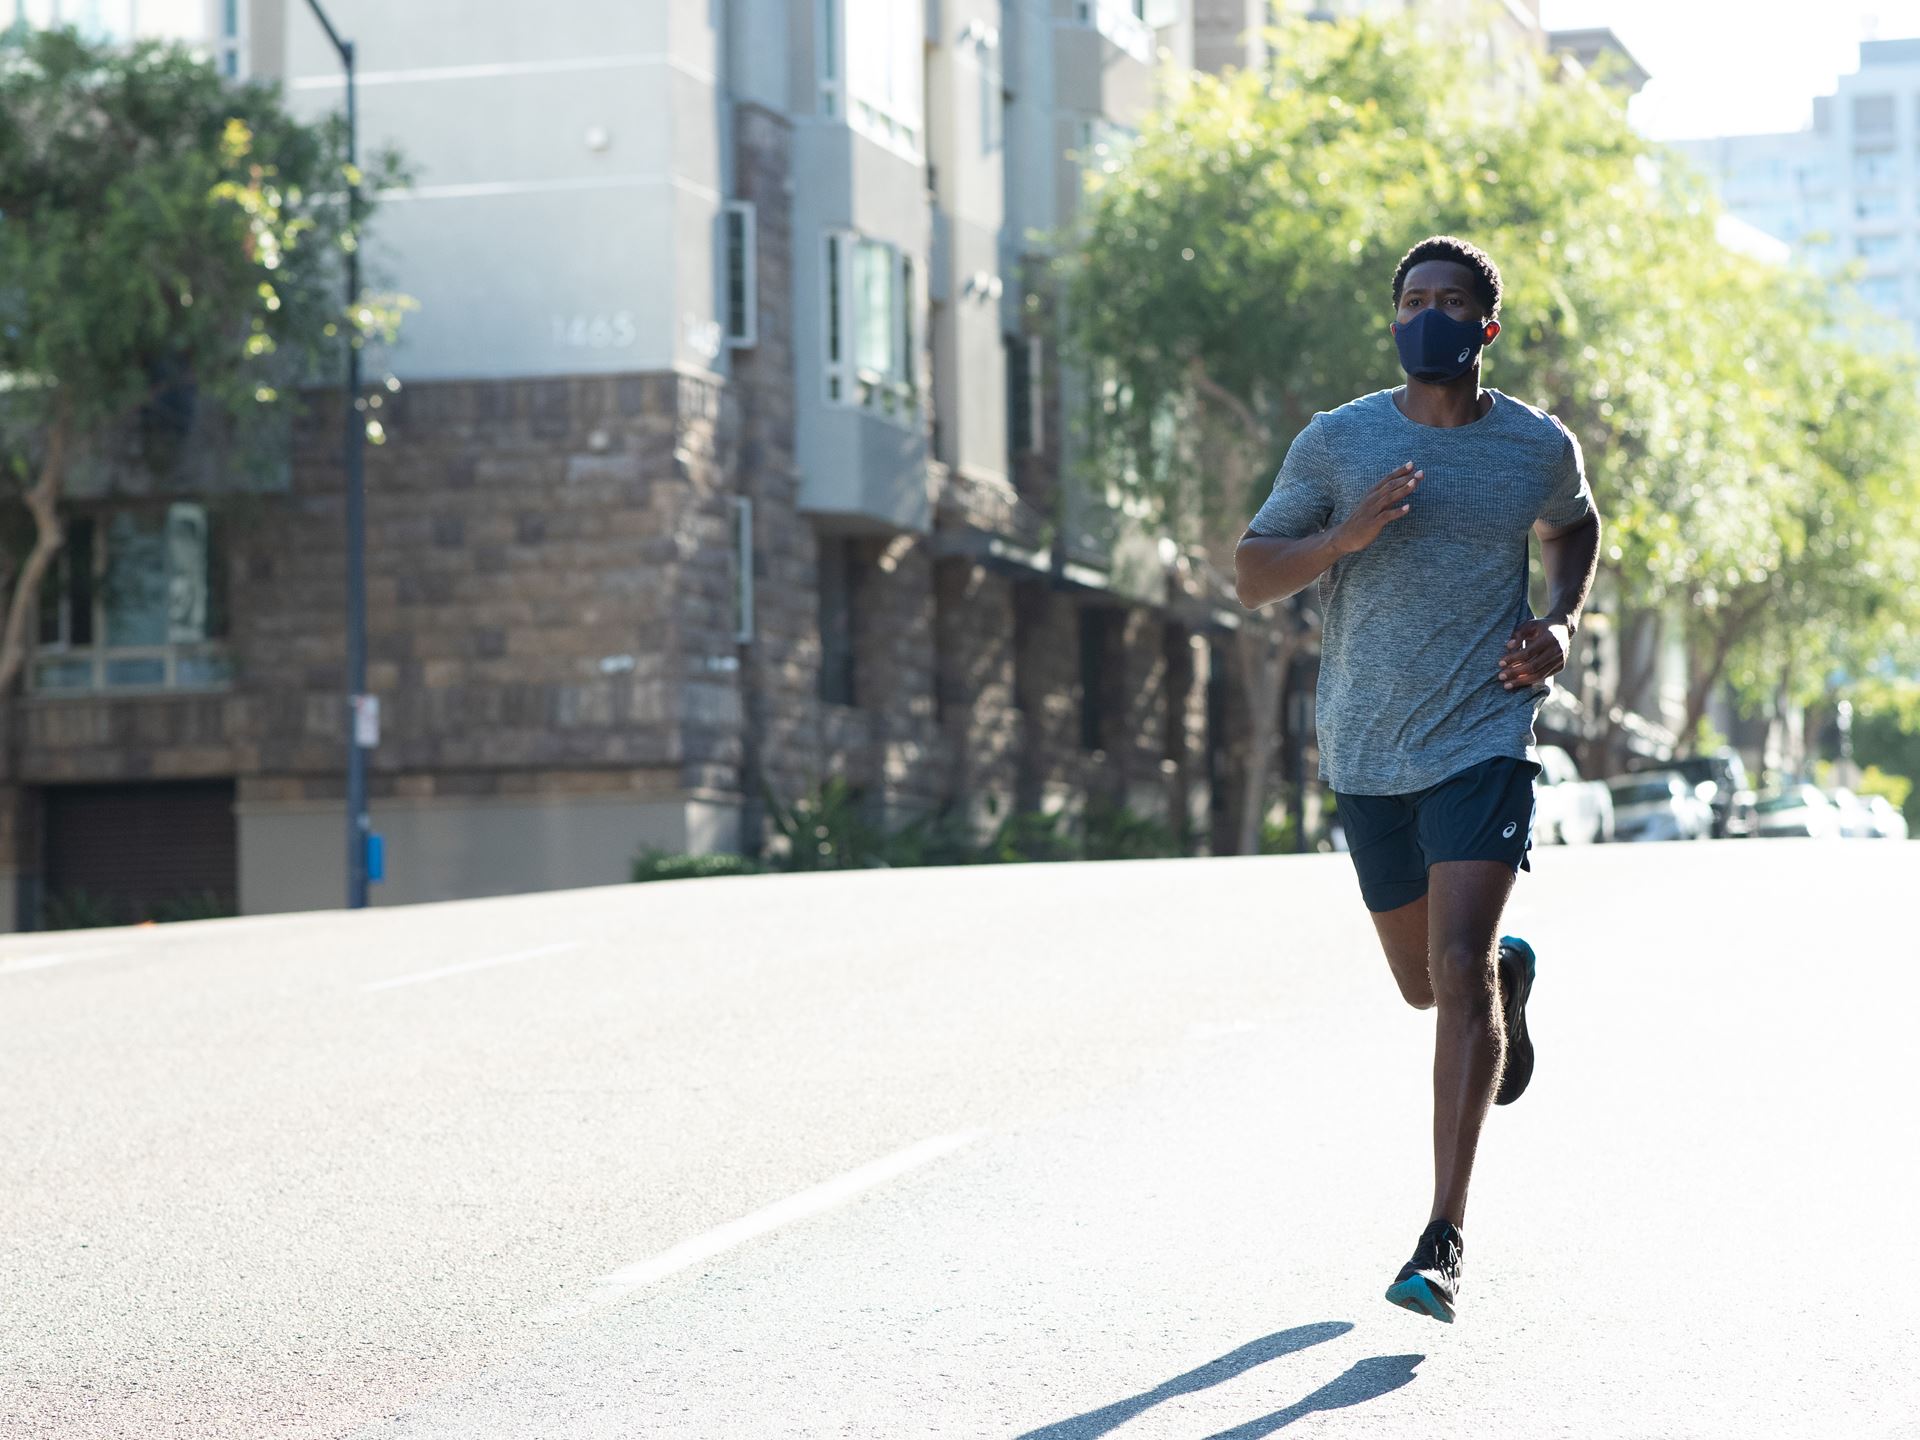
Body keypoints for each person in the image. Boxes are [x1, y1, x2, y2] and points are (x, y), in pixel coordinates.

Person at [1232, 235, 1602, 1323]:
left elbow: (1574, 526)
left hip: (1484, 733)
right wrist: (1341, 538)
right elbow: (1252, 574)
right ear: (1394, 321)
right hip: (1366, 744)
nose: (1427, 315)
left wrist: (1561, 624)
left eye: (1449, 302)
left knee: (1456, 954)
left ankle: (1441, 1235)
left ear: (1485, 327)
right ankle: (1505, 985)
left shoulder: (1535, 447)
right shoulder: (1341, 443)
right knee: (1428, 984)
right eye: (1411, 301)